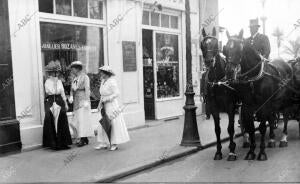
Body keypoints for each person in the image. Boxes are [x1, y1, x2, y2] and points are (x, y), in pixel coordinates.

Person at [95, 65, 130, 151]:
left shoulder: (112, 81)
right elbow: (102, 95)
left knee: (112, 123)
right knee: (103, 123)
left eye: (102, 72)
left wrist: (108, 99)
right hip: (104, 105)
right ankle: (103, 142)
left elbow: (117, 93)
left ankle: (114, 143)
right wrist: (99, 104)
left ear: (106, 73)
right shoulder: (103, 81)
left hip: (112, 105)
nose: (101, 74)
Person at [43, 61, 72, 150]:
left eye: (55, 72)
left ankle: (63, 142)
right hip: (51, 101)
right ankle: (53, 143)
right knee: (50, 118)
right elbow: (50, 91)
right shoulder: (47, 82)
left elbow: (62, 92)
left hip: (60, 101)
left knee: (62, 118)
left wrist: (66, 103)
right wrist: (54, 83)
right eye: (53, 72)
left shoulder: (59, 81)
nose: (55, 74)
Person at [69, 61, 94, 147]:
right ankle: (82, 138)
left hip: (83, 99)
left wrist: (87, 100)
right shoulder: (74, 78)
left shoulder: (85, 77)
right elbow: (71, 89)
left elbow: (87, 89)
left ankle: (83, 139)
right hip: (76, 100)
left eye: (73, 69)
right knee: (77, 120)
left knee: (83, 119)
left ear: (77, 69)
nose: (72, 71)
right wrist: (71, 96)